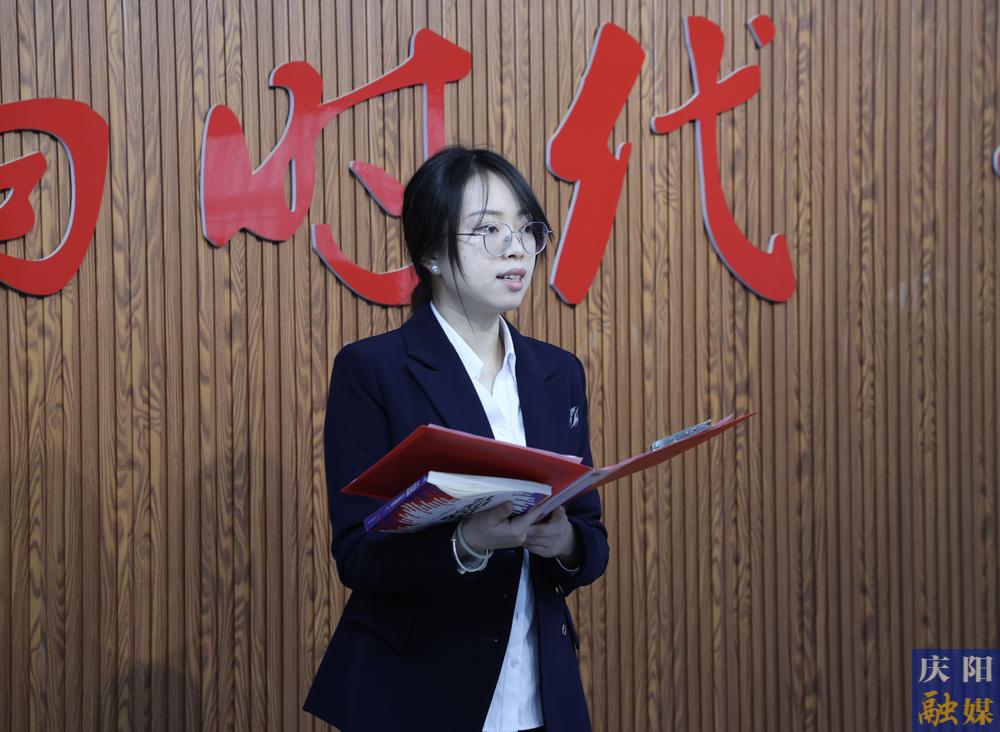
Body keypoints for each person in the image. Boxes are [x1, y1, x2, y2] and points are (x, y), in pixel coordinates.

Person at [304, 146, 609, 732]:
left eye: (526, 229)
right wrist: (466, 542)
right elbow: (358, 555)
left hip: (540, 698)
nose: (516, 248)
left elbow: (591, 542)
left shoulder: (558, 373)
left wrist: (564, 541)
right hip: (419, 693)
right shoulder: (375, 370)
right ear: (431, 253)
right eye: (489, 230)